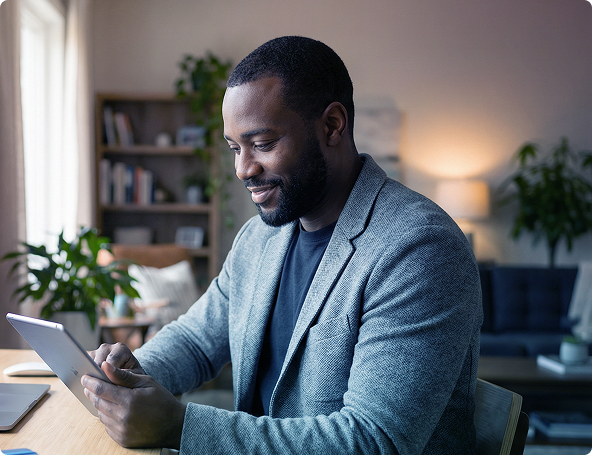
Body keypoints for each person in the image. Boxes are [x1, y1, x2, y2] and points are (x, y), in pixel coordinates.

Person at [82, 36, 483, 454]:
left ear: (332, 126)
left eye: (263, 144)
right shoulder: (261, 237)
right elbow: (198, 340)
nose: (242, 169)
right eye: (235, 148)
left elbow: (373, 441)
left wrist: (179, 427)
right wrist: (129, 373)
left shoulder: (419, 249)